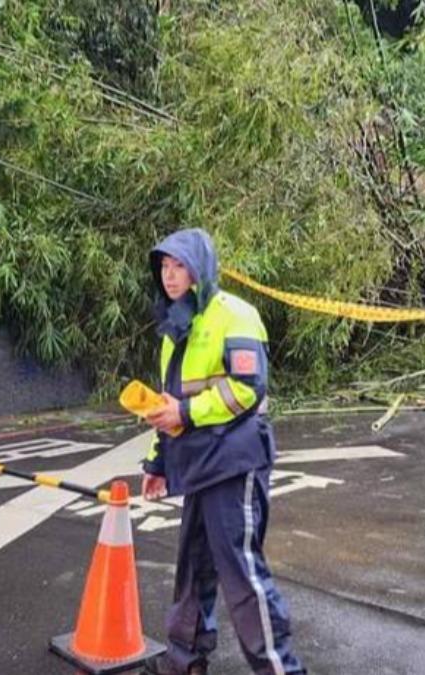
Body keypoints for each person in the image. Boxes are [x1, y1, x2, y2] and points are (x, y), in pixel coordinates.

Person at [140, 228, 305, 675]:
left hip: (235, 463)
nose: (170, 277)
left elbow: (247, 388)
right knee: (193, 568)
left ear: (201, 269)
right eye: (164, 268)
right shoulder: (176, 326)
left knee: (242, 575)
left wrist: (186, 413)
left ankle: (281, 669)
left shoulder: (236, 315)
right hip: (198, 466)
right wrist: (158, 462)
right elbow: (168, 404)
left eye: (179, 267)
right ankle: (184, 661)